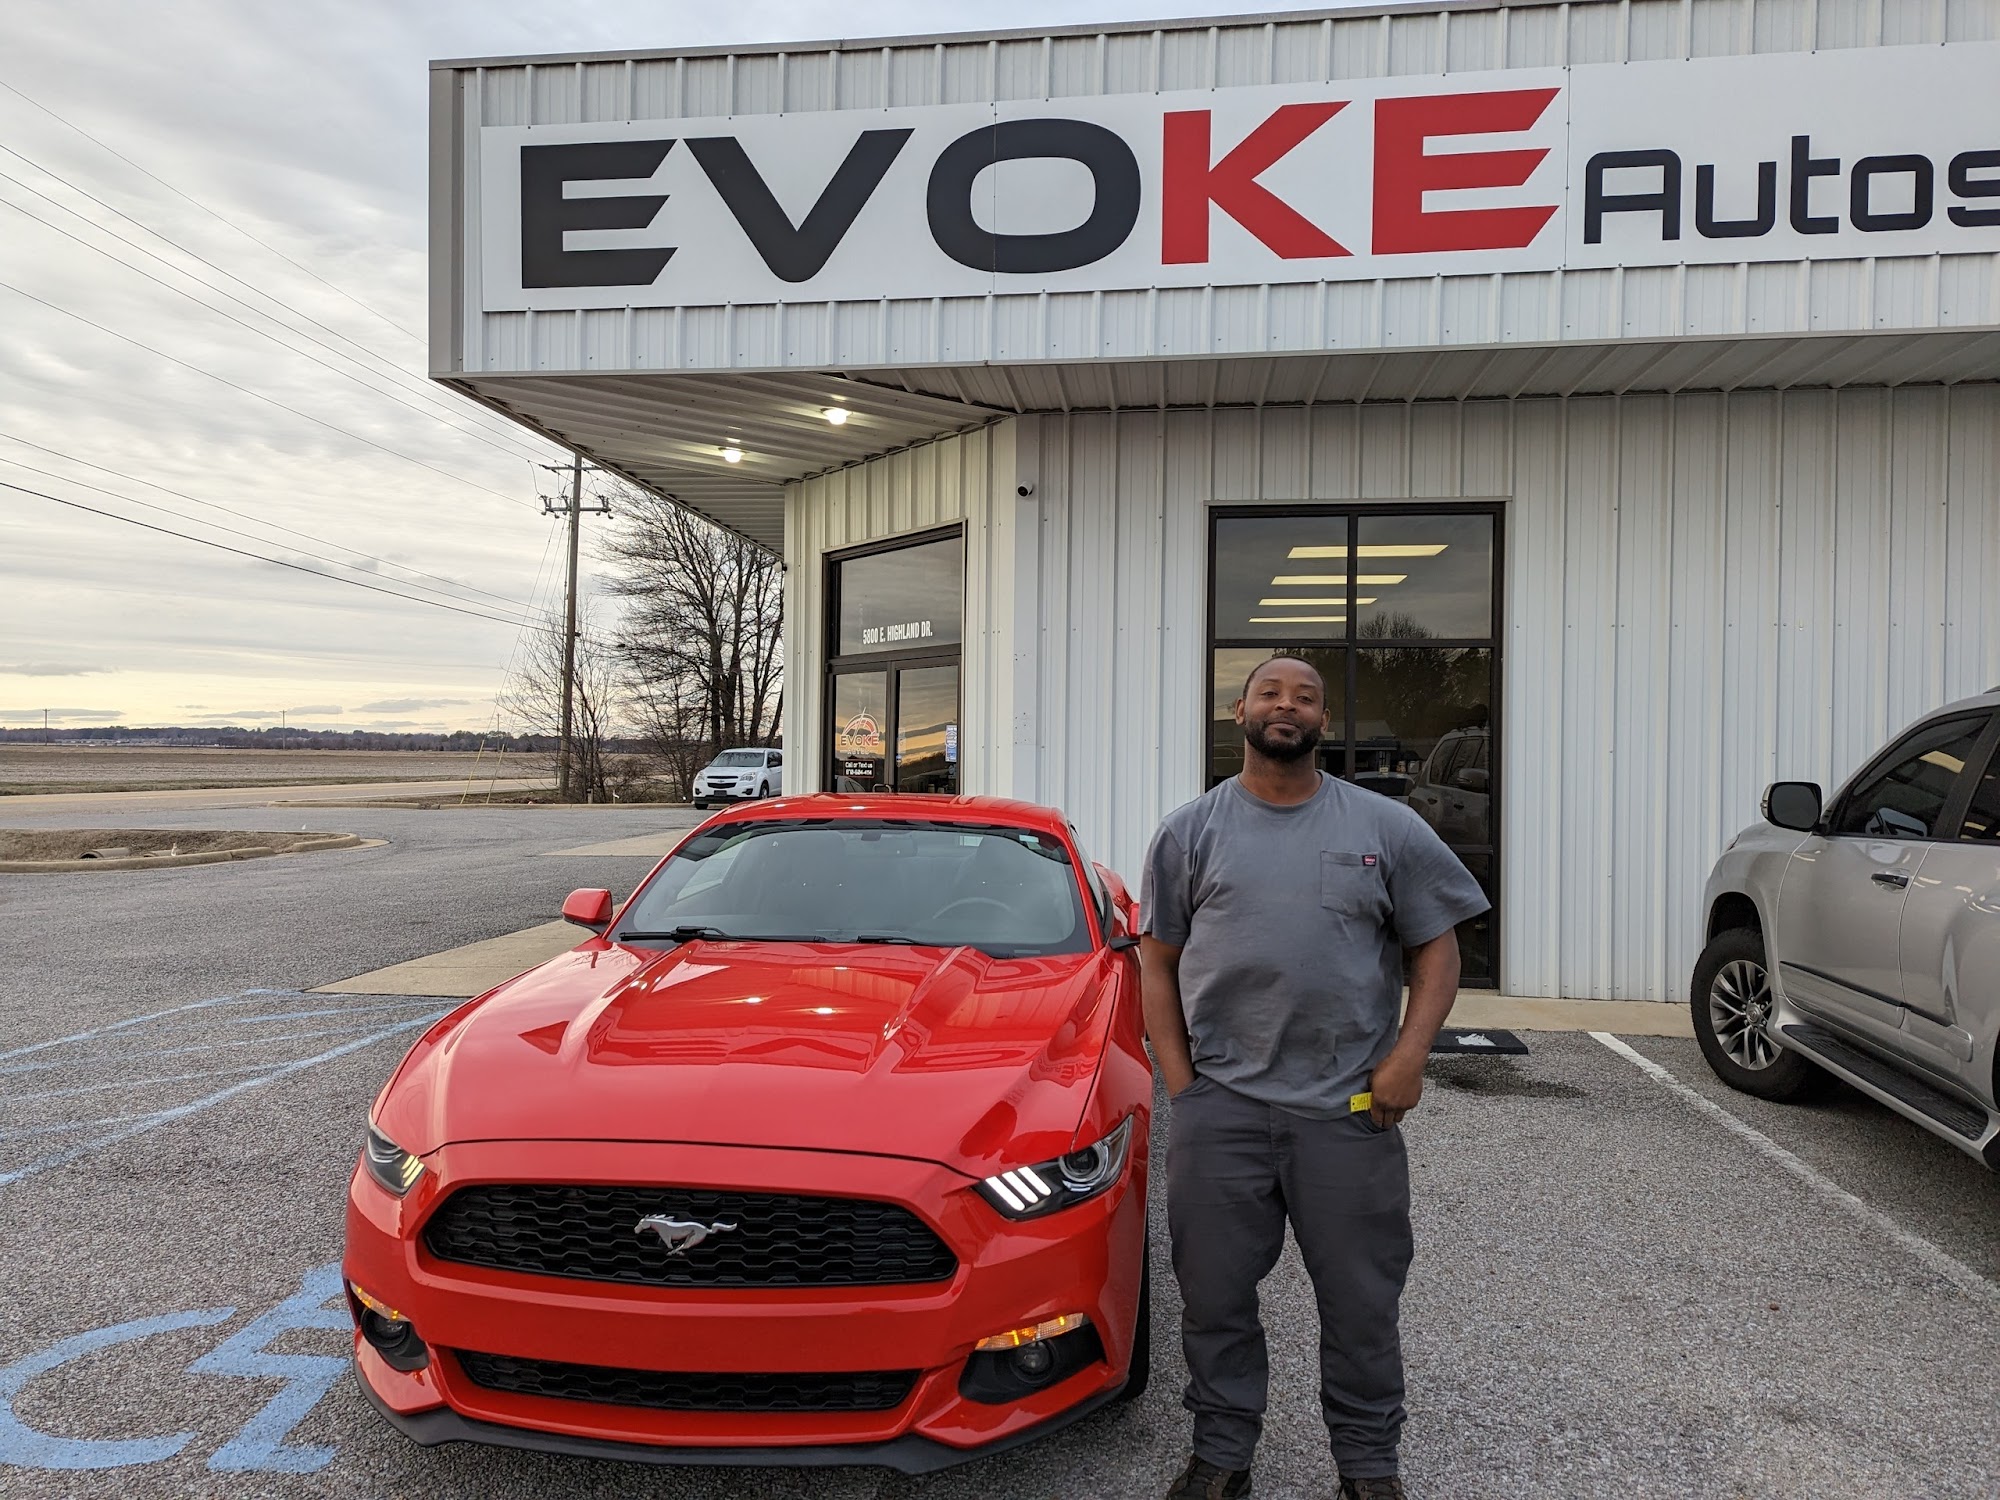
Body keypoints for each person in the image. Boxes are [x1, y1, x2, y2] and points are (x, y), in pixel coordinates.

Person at [1140, 655, 1490, 1500]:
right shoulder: (1190, 832)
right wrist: (1184, 1087)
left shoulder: (1385, 825)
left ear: (1323, 723)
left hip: (1348, 1111)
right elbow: (1157, 963)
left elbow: (1437, 946)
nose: (1286, 706)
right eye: (1270, 692)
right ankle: (1222, 1455)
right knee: (1215, 1298)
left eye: (1305, 697)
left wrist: (1409, 1057)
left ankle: (1367, 1466)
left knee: (1362, 1302)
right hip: (1222, 1107)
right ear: (1240, 711)